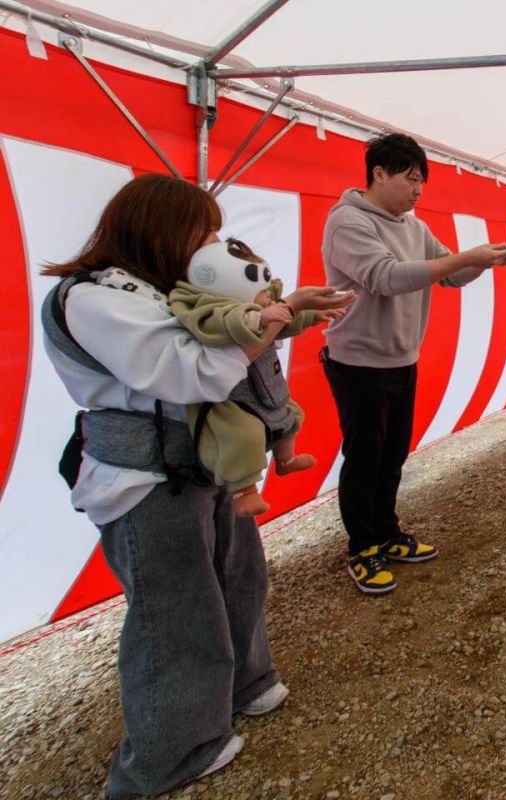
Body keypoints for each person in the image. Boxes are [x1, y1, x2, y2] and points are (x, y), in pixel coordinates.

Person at [42, 174, 352, 796]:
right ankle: (169, 753)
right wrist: (276, 316)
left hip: (204, 466)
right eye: (203, 231)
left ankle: (244, 685)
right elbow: (195, 372)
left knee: (240, 575)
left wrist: (287, 309)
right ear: (164, 232)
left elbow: (224, 333)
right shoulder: (93, 298)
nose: (215, 242)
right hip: (143, 479)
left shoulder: (165, 291)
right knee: (176, 611)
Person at [322, 133, 506, 595]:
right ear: (378, 173)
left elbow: (448, 273)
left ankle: (387, 532)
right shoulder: (347, 221)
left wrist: (484, 263)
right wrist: (467, 256)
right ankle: (362, 548)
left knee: (393, 454)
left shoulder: (412, 225)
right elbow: (386, 277)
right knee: (364, 457)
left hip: (401, 357)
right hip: (358, 361)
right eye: (411, 179)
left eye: (421, 183)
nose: (418, 191)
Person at [170, 238, 347, 517]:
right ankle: (244, 491)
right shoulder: (210, 309)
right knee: (243, 437)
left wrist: (311, 314)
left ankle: (285, 459)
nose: (267, 296)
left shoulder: (265, 305)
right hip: (231, 400)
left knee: (291, 416)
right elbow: (232, 323)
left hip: (264, 388)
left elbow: (284, 321)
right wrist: (264, 317)